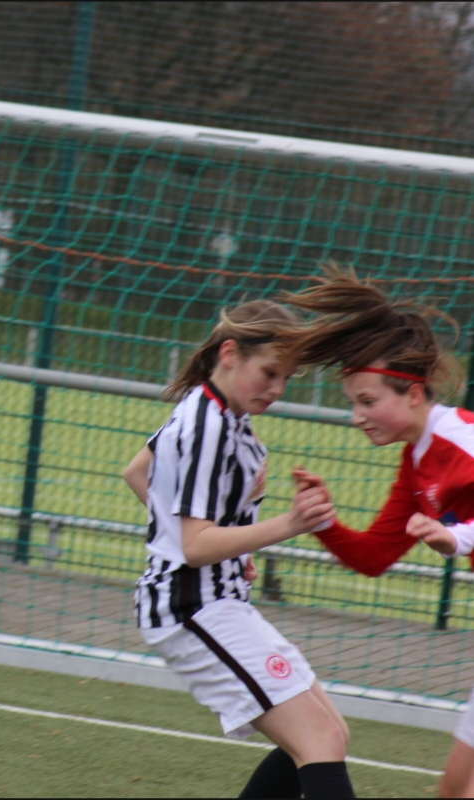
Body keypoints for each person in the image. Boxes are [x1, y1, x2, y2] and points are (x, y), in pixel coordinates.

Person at [123, 298, 357, 800]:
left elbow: (138, 472)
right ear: (230, 353)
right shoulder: (208, 424)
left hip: (216, 601)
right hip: (191, 605)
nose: (277, 389)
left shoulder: (216, 413)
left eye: (286, 378)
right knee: (318, 740)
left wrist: (228, 546)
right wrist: (289, 523)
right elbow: (195, 547)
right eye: (269, 373)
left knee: (330, 734)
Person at [284, 266, 473, 799]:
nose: (356, 416)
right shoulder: (417, 462)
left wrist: (458, 538)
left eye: (367, 402)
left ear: (412, 393)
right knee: (455, 790)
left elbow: (460, 534)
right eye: (352, 402)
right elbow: (372, 557)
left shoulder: (461, 438)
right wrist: (321, 520)